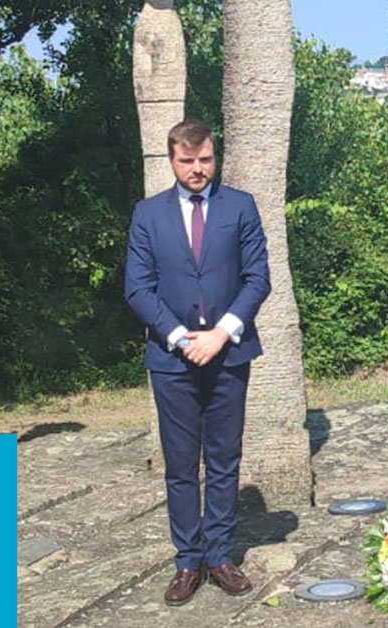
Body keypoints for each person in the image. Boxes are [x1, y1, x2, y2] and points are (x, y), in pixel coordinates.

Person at [124, 120, 271, 606]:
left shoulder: (240, 207)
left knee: (225, 458)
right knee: (182, 463)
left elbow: (258, 278)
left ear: (214, 157)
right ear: (172, 161)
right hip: (173, 358)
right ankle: (188, 561)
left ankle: (221, 556)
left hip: (229, 353)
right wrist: (180, 337)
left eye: (205, 159)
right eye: (187, 161)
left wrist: (221, 333)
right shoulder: (148, 215)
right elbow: (137, 288)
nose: (197, 169)